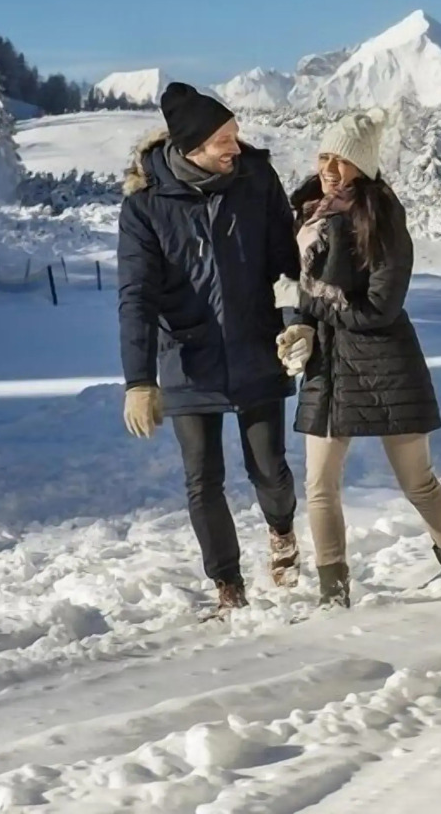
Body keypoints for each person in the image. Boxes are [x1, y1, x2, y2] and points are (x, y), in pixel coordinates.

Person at [117, 82, 311, 615]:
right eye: (225, 138)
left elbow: (287, 261)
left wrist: (296, 322)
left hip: (255, 345)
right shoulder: (145, 208)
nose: (236, 146)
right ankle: (228, 584)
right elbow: (135, 294)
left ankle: (280, 530)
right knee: (203, 479)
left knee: (269, 468)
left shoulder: (256, 179)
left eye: (236, 134)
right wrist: (138, 380)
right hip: (187, 357)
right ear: (192, 147)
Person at [274, 109, 441, 607]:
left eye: (343, 160)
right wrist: (295, 325)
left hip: (386, 365)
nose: (331, 169)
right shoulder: (307, 212)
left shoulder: (382, 217)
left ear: (363, 165)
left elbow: (380, 308)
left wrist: (305, 297)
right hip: (329, 367)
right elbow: (296, 292)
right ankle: (332, 596)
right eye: (325, 156)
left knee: (418, 482)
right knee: (319, 485)